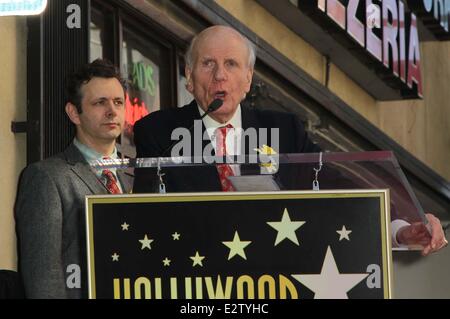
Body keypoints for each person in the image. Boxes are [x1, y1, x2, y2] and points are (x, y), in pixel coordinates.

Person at [133, 25, 447, 255]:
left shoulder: (285, 131)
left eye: (231, 64)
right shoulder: (157, 132)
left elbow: (338, 189)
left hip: (272, 278)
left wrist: (401, 228)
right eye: (208, 64)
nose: (219, 75)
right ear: (188, 76)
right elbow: (143, 218)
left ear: (248, 79)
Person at [15, 59, 132, 298]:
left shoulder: (141, 175)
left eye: (118, 102)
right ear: (73, 113)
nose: (112, 111)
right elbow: (43, 277)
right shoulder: (46, 177)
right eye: (100, 102)